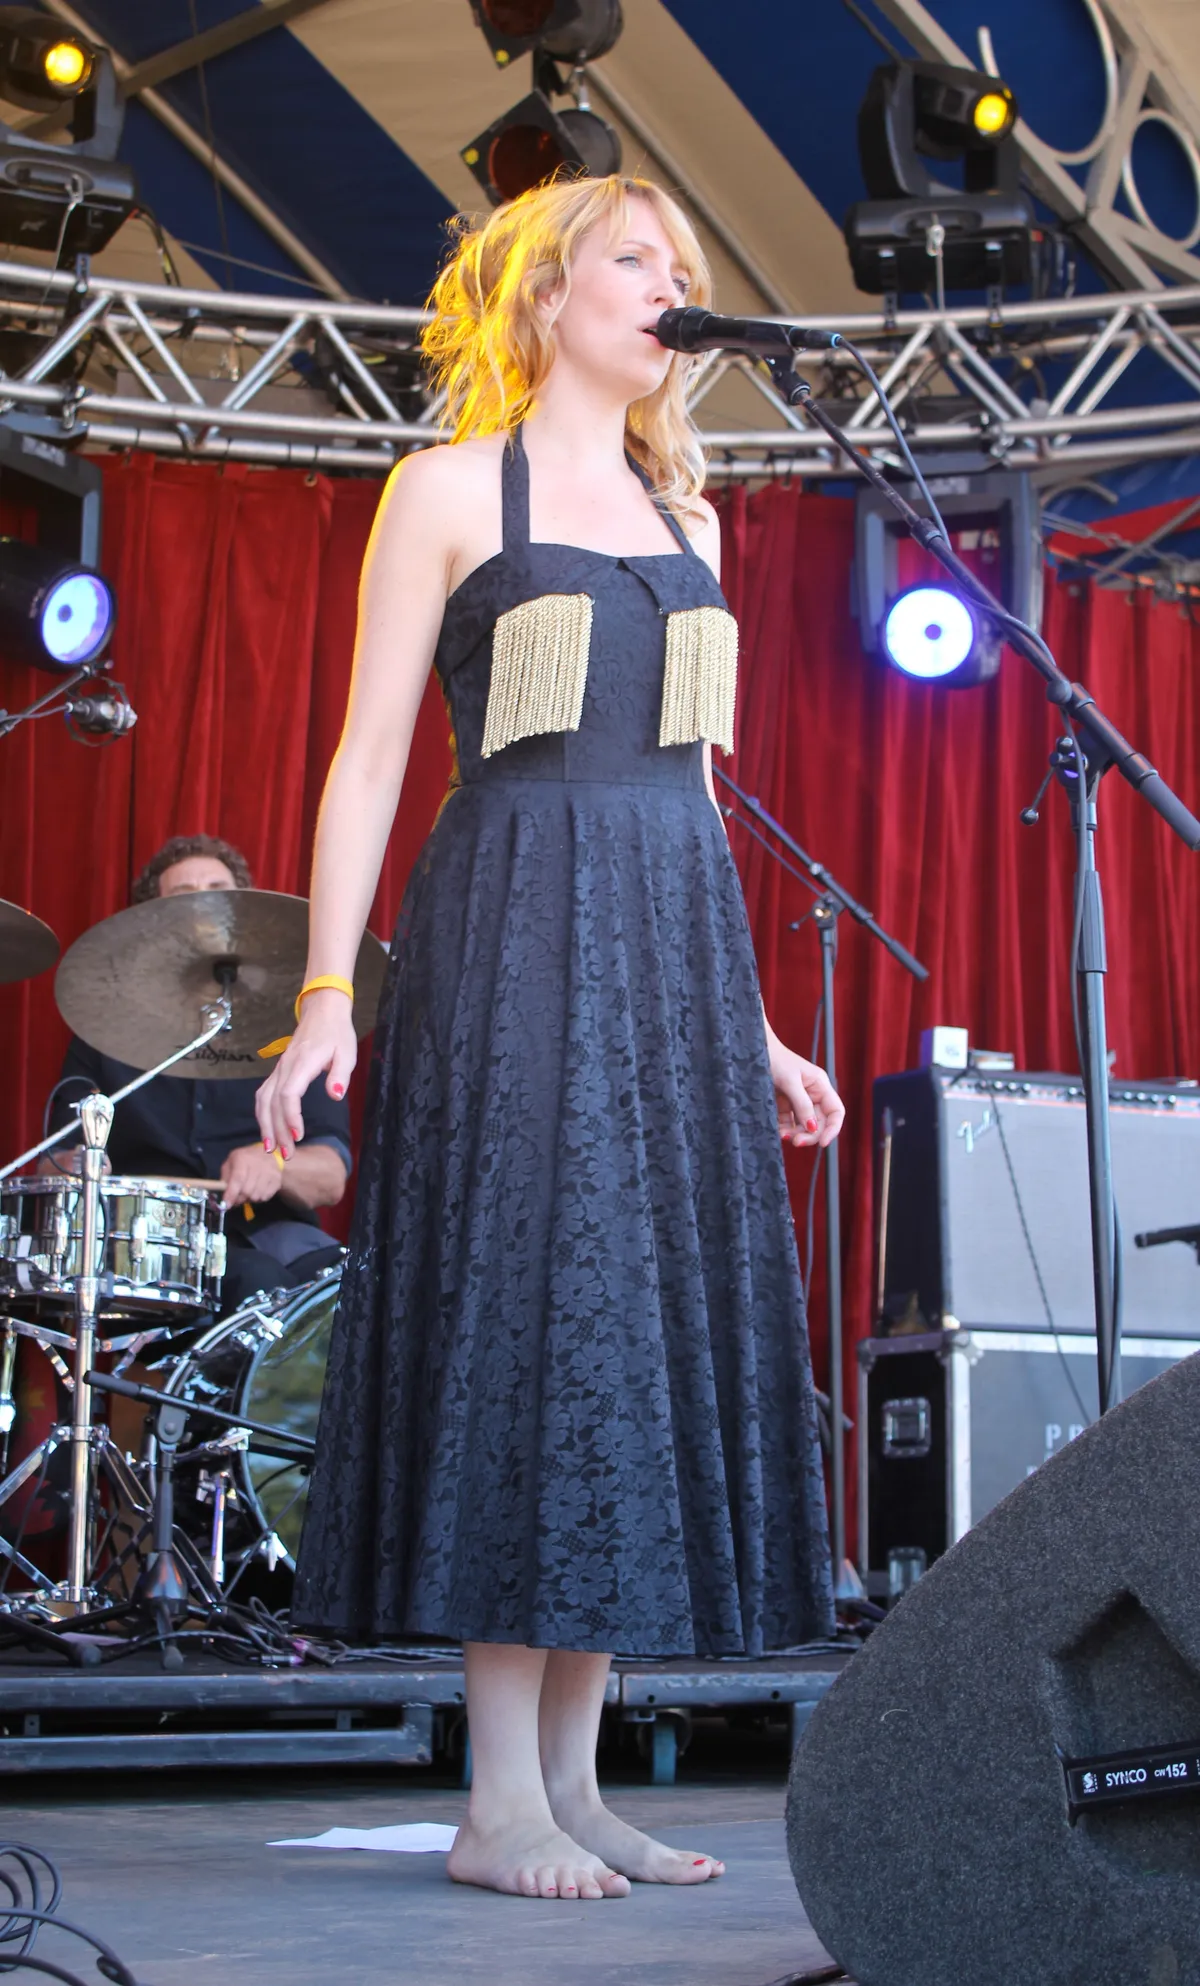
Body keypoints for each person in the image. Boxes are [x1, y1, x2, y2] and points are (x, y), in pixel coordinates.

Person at [256, 175, 844, 1903]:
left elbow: (696, 791)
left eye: (685, 264)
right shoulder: (448, 489)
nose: (671, 285)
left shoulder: (693, 517)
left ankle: (577, 1785)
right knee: (526, 1322)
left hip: (670, 950)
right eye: (635, 259)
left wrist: (750, 1027)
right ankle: (494, 1798)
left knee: (625, 1336)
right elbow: (369, 757)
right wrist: (323, 993)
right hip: (511, 926)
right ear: (544, 295)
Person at [48, 834, 350, 1314]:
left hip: (274, 1233)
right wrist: (81, 1167)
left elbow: (332, 1175)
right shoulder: (104, 1032)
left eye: (217, 891)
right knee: (254, 1280)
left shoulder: (288, 1032)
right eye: (183, 895)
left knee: (353, 1289)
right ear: (154, 922)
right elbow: (54, 1161)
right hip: (152, 1247)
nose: (203, 905)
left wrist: (276, 1166)